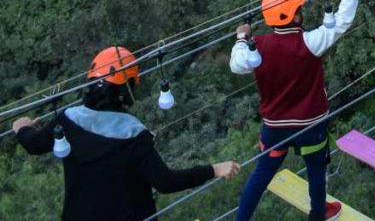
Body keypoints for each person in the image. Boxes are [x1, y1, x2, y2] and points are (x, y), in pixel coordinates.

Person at [12, 46, 241, 221]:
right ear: (129, 87)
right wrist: (214, 169)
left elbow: (33, 145)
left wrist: (22, 128)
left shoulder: (68, 121)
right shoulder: (133, 135)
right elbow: (166, 181)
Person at [231, 0, 359, 221]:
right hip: (310, 124)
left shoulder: (258, 48)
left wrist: (242, 37)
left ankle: (240, 220)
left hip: (275, 127)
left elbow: (236, 64)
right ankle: (317, 213)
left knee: (261, 175)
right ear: (296, 14)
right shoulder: (310, 42)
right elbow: (343, 22)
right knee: (316, 169)